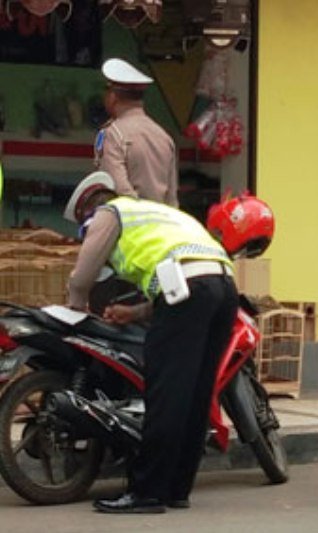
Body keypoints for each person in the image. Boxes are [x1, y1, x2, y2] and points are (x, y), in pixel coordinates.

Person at [64, 171, 246, 513]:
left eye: (82, 229)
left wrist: (74, 306)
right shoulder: (157, 214)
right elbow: (186, 279)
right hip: (222, 290)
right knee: (194, 394)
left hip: (190, 291)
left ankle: (146, 492)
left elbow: (85, 271)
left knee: (166, 393)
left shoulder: (110, 213)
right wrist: (133, 313)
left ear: (89, 209)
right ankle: (176, 489)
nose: (86, 235)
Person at [95, 58, 178, 206]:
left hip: (129, 223)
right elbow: (171, 197)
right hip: (161, 222)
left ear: (113, 97)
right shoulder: (163, 136)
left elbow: (117, 189)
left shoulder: (113, 134)